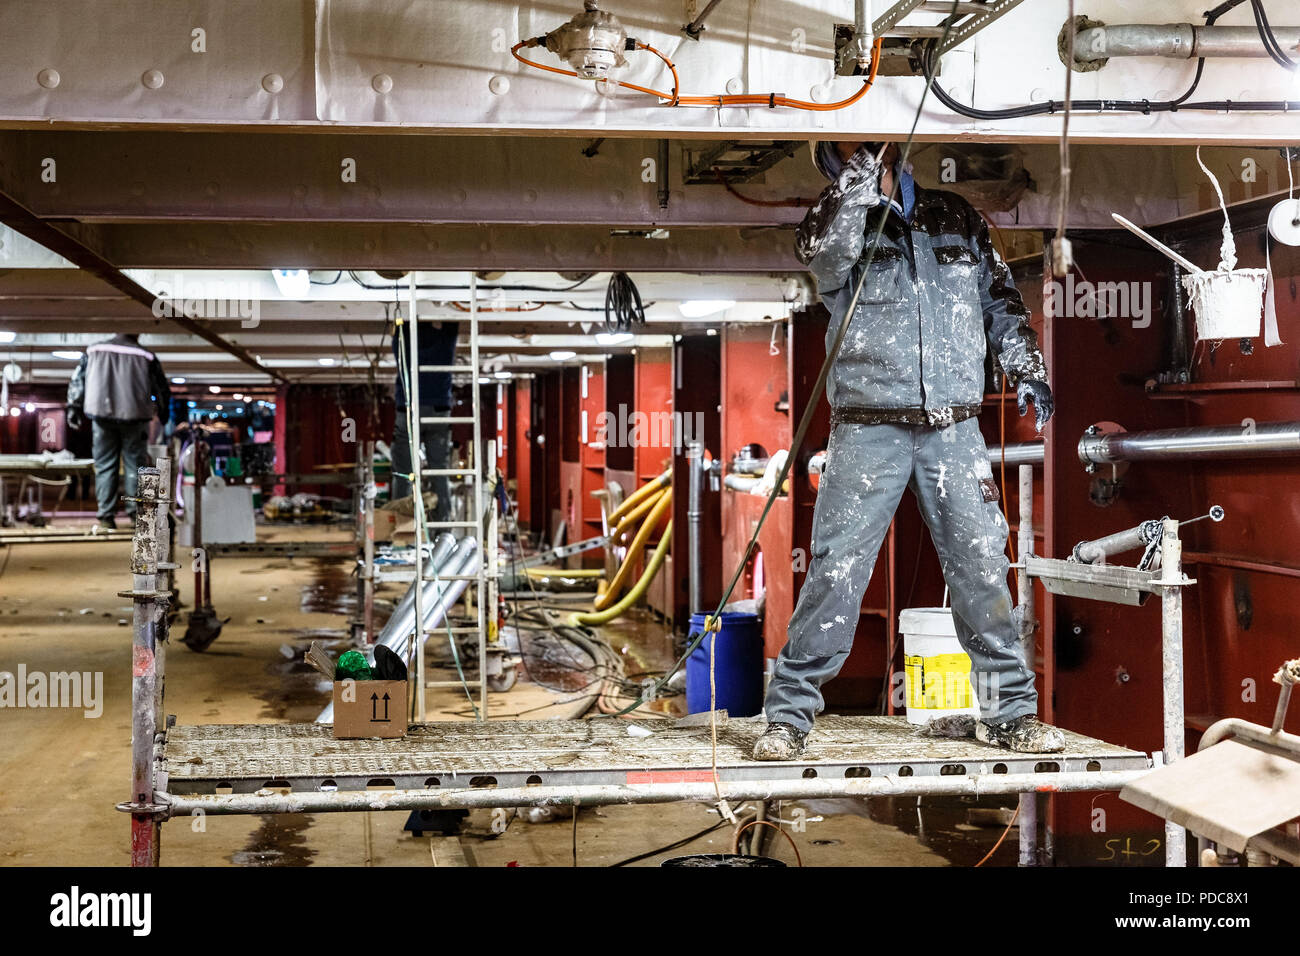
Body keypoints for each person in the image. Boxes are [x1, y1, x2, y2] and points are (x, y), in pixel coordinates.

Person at [753, 141, 1065, 760]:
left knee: (980, 565)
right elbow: (826, 260)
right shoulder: (833, 219)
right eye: (844, 157)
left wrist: (1025, 364)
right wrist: (855, 190)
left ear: (897, 149)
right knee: (837, 571)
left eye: (867, 151)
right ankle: (788, 718)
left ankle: (1007, 714)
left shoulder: (956, 217)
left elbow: (998, 299)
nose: (858, 159)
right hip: (868, 428)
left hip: (954, 428)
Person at [66, 334, 170, 530]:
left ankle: (106, 517)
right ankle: (135, 516)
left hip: (101, 414)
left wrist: (73, 406)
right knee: (135, 466)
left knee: (105, 465)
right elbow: (161, 386)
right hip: (135, 416)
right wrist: (164, 412)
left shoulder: (94, 350)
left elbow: (78, 381)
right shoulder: (145, 355)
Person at [391, 319, 460, 522]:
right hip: (438, 411)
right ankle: (443, 526)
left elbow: (398, 331)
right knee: (440, 471)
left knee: (404, 472)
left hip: (408, 410)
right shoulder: (444, 341)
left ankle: (401, 524)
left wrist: (401, 324)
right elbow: (453, 325)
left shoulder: (405, 344)